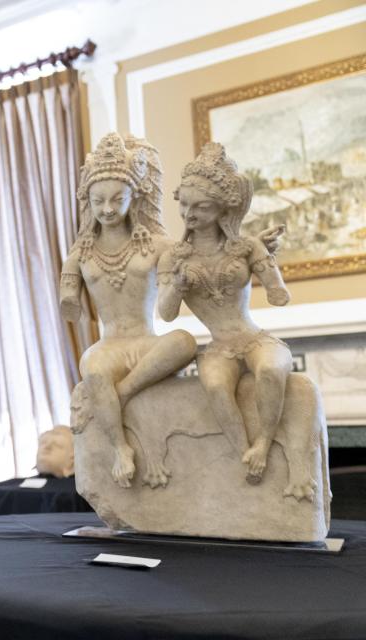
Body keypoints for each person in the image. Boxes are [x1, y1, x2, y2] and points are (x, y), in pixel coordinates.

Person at [60, 133, 198, 489]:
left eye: (116, 199)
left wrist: (178, 283)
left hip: (147, 341)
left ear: (134, 197)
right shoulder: (79, 255)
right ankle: (121, 448)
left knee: (184, 340)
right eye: (98, 200)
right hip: (110, 345)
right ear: (87, 202)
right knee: (92, 365)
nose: (107, 208)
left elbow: (168, 315)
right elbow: (71, 312)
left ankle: (117, 397)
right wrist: (69, 287)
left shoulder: (161, 246)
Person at [158, 142, 290, 484]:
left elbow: (279, 296)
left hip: (254, 337)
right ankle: (243, 452)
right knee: (216, 386)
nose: (189, 214)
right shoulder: (174, 258)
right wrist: (177, 285)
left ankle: (263, 444)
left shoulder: (245, 246)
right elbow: (166, 313)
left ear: (223, 210)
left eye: (201, 207)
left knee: (272, 372)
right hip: (218, 346)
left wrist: (264, 256)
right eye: (184, 205)